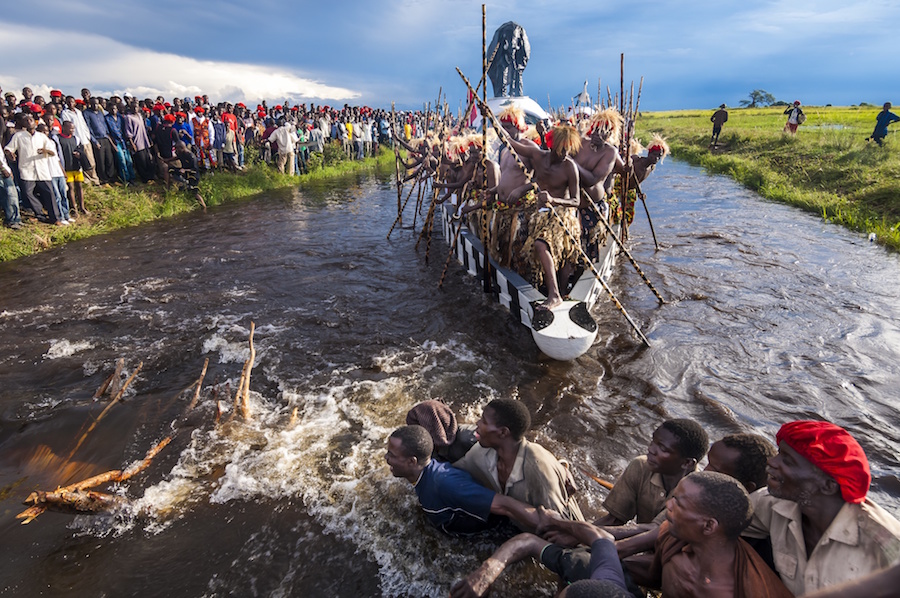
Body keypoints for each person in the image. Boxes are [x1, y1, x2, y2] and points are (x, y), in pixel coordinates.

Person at [742, 420, 900, 595]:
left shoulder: (885, 541)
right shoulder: (771, 503)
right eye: (779, 453)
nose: (772, 461)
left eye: (787, 461)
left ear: (828, 486)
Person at [386, 425, 547, 536]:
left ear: (412, 461)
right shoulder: (422, 474)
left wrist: (548, 525)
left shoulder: (446, 484)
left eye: (392, 455)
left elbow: (504, 505)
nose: (386, 458)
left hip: (493, 531)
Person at [453, 399, 584, 522]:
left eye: (484, 421)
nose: (477, 423)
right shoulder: (481, 453)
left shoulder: (538, 470)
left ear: (503, 432)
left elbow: (561, 525)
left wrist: (559, 471)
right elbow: (453, 472)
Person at [4, 112, 63, 225]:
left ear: (35, 123)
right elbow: (8, 148)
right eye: (26, 120)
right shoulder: (18, 136)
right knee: (27, 193)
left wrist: (45, 151)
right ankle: (40, 214)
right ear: (23, 124)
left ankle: (55, 218)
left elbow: (52, 152)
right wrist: (10, 154)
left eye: (31, 120)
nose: (29, 122)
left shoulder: (42, 136)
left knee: (49, 194)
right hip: (27, 170)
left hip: (42, 170)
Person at [405, 400, 477, 463]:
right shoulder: (428, 446)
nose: (415, 435)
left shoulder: (468, 437)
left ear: (431, 427)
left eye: (418, 430)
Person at [170, 141, 206, 210]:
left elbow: (194, 169)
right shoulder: (181, 153)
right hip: (186, 174)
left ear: (182, 148)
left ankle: (204, 207)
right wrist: (167, 160)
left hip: (193, 176)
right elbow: (177, 158)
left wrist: (185, 170)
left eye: (177, 148)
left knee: (195, 193)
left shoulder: (191, 156)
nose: (176, 150)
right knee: (171, 170)